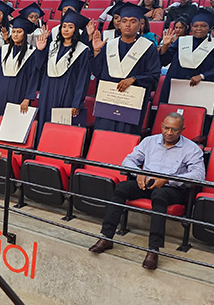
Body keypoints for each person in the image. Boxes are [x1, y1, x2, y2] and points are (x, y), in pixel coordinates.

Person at [88, 113, 205, 270]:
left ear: (182, 129)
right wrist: (139, 173)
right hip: (147, 182)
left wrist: (169, 179)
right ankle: (107, 237)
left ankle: (153, 250)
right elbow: (128, 160)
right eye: (167, 128)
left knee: (160, 195)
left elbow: (199, 175)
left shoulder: (191, 149)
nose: (169, 133)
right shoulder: (149, 141)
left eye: (175, 130)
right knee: (122, 188)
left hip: (171, 188)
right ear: (161, 125)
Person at [90, 3, 161, 135]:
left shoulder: (147, 47)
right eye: (124, 21)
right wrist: (96, 51)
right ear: (119, 24)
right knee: (103, 134)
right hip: (108, 99)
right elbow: (97, 72)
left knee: (126, 136)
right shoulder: (109, 45)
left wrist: (134, 79)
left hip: (131, 102)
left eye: (133, 21)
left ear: (140, 25)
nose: (128, 25)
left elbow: (154, 74)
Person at [36, 9, 93, 136]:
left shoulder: (83, 51)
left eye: (70, 27)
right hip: (48, 91)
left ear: (76, 30)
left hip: (68, 93)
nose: (66, 30)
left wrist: (77, 102)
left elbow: (83, 79)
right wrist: (40, 51)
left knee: (61, 128)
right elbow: (41, 67)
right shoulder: (52, 46)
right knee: (45, 123)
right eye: (64, 26)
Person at [0, 16, 44, 138]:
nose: (15, 35)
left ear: (25, 34)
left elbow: (34, 77)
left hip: (18, 94)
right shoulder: (4, 50)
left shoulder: (31, 52)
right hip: (0, 93)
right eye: (14, 32)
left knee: (13, 126)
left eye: (19, 32)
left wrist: (27, 98)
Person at [158, 9, 214, 102]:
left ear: (209, 28)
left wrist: (203, 76)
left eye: (203, 26)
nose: (199, 28)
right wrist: (165, 46)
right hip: (175, 85)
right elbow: (164, 61)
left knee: (196, 114)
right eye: (196, 26)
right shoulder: (182, 41)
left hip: (201, 86)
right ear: (191, 27)